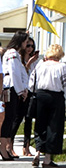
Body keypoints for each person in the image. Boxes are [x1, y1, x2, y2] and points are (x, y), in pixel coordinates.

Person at [29, 44, 66, 168]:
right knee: (54, 127)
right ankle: (47, 159)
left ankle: (37, 153)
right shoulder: (61, 66)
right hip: (55, 97)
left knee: (40, 125)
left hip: (40, 96)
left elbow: (31, 83)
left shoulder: (40, 65)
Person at [0, 31, 30, 160]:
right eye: (25, 41)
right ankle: (3, 148)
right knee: (9, 118)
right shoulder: (12, 53)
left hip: (14, 88)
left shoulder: (16, 54)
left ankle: (7, 147)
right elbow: (14, 73)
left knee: (11, 117)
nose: (26, 44)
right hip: (11, 88)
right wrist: (20, 90)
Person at [21, 36, 39, 157]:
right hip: (21, 92)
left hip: (32, 92)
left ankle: (26, 147)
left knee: (28, 120)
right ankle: (9, 145)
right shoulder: (20, 59)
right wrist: (29, 63)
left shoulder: (36, 61)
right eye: (28, 45)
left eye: (32, 46)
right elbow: (23, 73)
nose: (30, 48)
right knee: (17, 120)